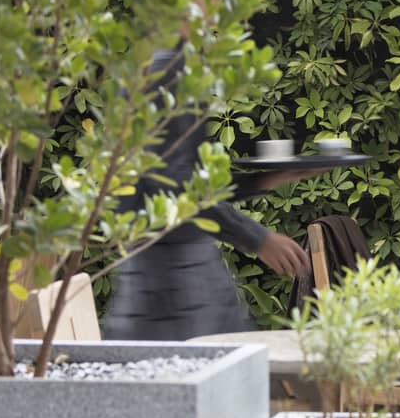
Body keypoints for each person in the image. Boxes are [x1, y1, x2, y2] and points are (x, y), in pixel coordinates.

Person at [103, 38, 319, 341]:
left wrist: (268, 179)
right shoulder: (164, 74)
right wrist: (259, 239)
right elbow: (177, 189)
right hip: (169, 284)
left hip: (189, 276)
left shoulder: (179, 69)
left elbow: (194, 183)